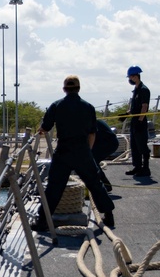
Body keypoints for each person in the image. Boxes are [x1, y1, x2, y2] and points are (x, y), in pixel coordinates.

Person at [33, 75, 115, 230]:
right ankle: (109, 215)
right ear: (79, 88)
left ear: (64, 89)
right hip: (82, 150)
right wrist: (87, 152)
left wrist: (41, 130)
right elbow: (92, 133)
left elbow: (46, 127)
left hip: (64, 151)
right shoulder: (88, 107)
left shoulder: (56, 105)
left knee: (54, 187)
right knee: (95, 183)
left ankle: (43, 220)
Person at [125, 66, 151, 177]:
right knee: (134, 146)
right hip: (134, 121)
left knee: (142, 146)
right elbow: (135, 107)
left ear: (135, 76)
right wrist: (127, 114)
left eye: (130, 77)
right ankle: (137, 166)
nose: (129, 79)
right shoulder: (136, 89)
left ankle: (145, 168)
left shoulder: (144, 89)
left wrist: (140, 121)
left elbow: (144, 107)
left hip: (140, 122)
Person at [90, 118, 120, 191]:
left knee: (92, 161)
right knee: (92, 161)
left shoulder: (87, 121)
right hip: (105, 142)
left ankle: (105, 185)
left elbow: (91, 135)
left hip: (108, 143)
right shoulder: (90, 119)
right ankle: (101, 184)